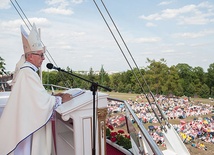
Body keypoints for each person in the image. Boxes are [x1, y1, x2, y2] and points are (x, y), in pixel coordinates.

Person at [0, 23, 72, 155]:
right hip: (29, 128)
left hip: (27, 121)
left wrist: (55, 96)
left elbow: (35, 97)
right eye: (41, 55)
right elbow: (40, 103)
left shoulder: (27, 71)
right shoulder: (27, 73)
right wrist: (61, 99)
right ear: (30, 56)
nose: (44, 58)